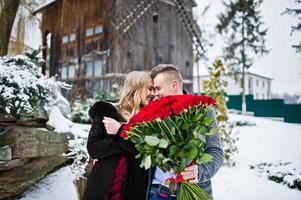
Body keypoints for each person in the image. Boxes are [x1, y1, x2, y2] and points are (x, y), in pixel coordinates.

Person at [147, 64, 224, 200]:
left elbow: (215, 151)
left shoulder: (203, 111)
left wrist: (200, 171)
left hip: (193, 192)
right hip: (156, 193)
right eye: (154, 89)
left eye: (158, 88)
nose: (155, 93)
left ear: (174, 85)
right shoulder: (152, 111)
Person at [83, 71, 154, 200]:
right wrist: (128, 140)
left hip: (134, 190)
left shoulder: (151, 119)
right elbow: (93, 149)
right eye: (149, 88)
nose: (153, 93)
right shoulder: (107, 112)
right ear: (137, 87)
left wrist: (120, 132)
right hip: (104, 187)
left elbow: (146, 150)